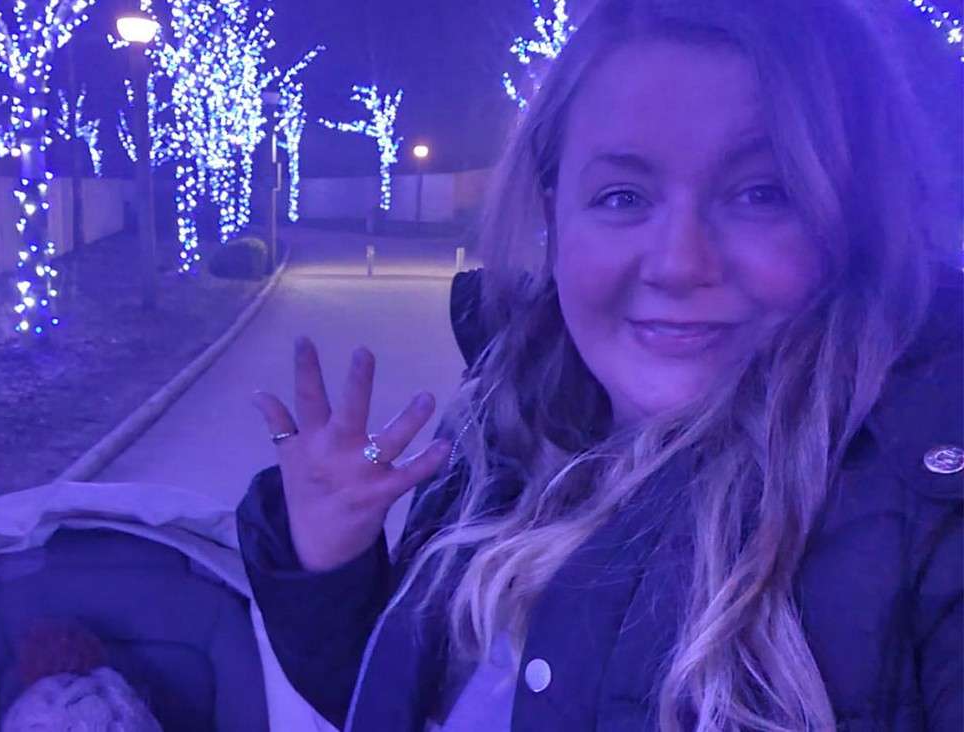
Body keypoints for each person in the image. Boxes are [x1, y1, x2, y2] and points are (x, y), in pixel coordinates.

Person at [238, 0, 963, 730]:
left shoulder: (927, 510)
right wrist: (331, 563)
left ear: (855, 216)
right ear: (557, 217)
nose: (680, 263)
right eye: (623, 196)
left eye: (760, 193)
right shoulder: (501, 437)